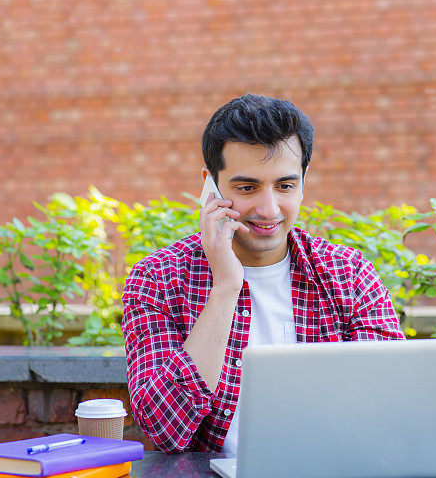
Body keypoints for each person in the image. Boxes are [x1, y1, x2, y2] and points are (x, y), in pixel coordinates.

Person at [123, 94, 404, 454]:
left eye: (285, 186)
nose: (269, 209)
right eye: (247, 187)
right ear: (211, 187)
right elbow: (164, 429)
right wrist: (225, 288)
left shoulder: (348, 275)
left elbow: (391, 407)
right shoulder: (158, 278)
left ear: (303, 182)